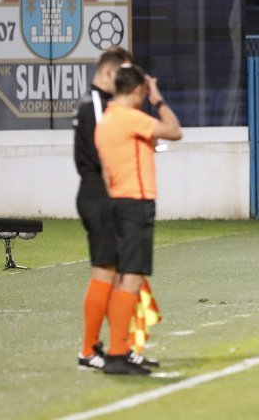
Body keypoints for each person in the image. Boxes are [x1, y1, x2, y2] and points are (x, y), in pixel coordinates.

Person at [94, 64, 183, 374]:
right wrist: (158, 99)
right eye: (144, 94)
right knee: (130, 278)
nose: (145, 99)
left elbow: (107, 170)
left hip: (117, 202)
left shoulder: (106, 120)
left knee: (122, 279)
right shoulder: (130, 117)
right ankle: (119, 354)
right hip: (135, 205)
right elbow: (174, 130)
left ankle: (118, 352)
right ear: (136, 91)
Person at [73, 47, 132, 371]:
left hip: (99, 192)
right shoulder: (95, 102)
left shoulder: (96, 101)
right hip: (99, 193)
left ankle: (118, 347)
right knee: (105, 271)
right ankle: (89, 350)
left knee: (115, 271)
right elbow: (103, 149)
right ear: (108, 73)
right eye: (121, 76)